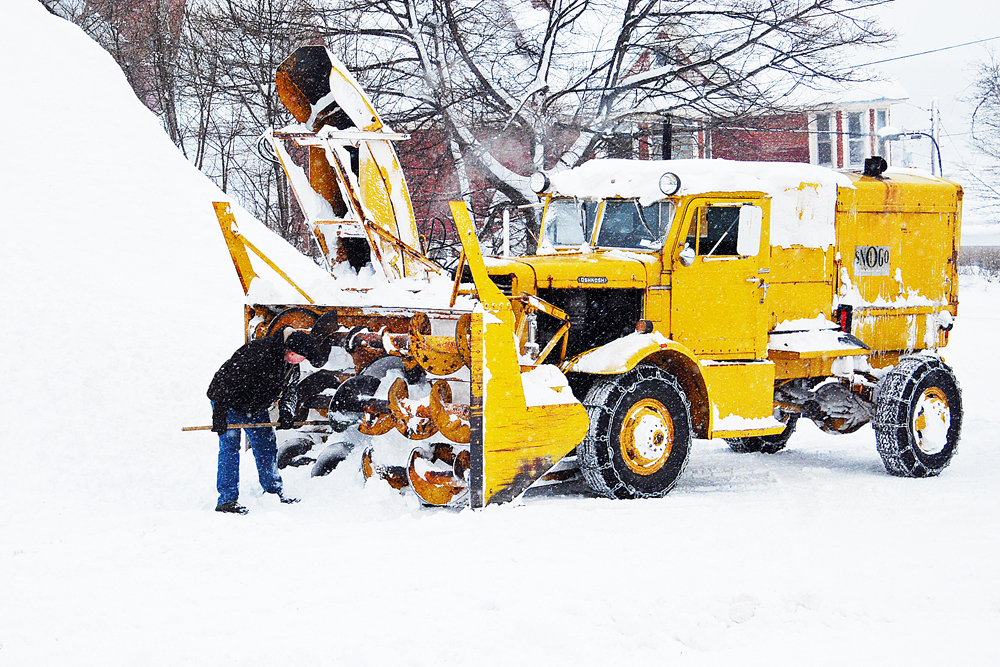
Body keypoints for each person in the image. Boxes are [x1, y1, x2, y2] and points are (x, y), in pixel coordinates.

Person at [207, 328, 318, 514]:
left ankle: (273, 491)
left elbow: (290, 390)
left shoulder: (290, 365)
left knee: (266, 445)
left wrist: (286, 413)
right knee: (230, 447)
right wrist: (219, 416)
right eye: (301, 357)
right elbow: (226, 384)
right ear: (291, 351)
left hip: (255, 406)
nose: (302, 361)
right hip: (228, 402)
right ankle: (226, 500)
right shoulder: (258, 353)